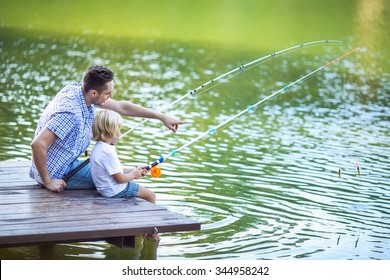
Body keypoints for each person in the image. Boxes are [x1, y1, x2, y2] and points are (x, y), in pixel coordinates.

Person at [30, 65, 182, 193]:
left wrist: (162, 117)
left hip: (66, 163)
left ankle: (131, 170)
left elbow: (123, 107)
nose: (111, 96)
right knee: (131, 188)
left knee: (113, 169)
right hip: (58, 172)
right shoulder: (70, 113)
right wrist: (48, 181)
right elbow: (38, 144)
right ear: (94, 92)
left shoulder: (79, 91)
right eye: (108, 93)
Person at [90, 109, 160, 242]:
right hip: (115, 190)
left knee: (143, 193)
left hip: (105, 189)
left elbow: (118, 170)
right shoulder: (108, 152)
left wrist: (135, 169)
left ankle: (144, 224)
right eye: (119, 129)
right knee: (150, 195)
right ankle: (151, 232)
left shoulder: (101, 147)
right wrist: (134, 175)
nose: (120, 133)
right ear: (111, 131)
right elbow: (120, 179)